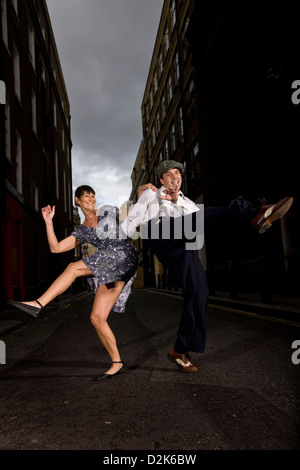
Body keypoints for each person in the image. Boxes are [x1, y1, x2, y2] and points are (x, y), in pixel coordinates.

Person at [121, 160, 294, 373]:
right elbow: (132, 220)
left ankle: (179, 350)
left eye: (178, 173)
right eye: (169, 174)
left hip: (183, 245)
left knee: (199, 293)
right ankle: (256, 212)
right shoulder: (151, 193)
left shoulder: (189, 203)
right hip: (159, 234)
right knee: (207, 215)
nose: (174, 177)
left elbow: (200, 222)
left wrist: (177, 202)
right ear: (161, 179)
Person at [8, 185, 138, 381]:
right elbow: (56, 248)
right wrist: (48, 222)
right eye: (86, 196)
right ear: (77, 200)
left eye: (93, 196)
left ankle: (38, 304)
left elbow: (131, 211)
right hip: (110, 267)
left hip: (123, 254)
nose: (91, 199)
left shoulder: (106, 211)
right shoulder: (82, 231)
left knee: (72, 267)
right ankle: (117, 363)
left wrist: (144, 194)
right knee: (97, 318)